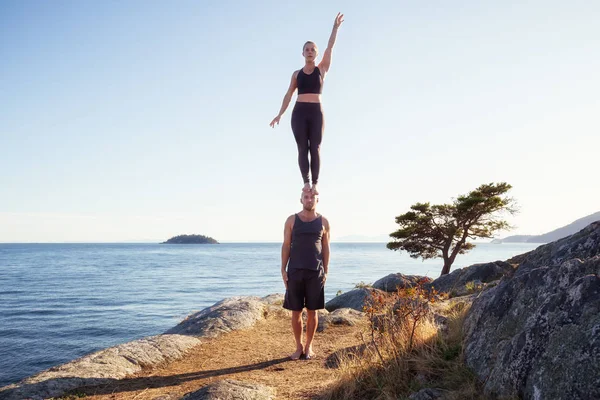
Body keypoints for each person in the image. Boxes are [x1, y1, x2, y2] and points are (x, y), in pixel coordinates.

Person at [270, 13, 345, 195]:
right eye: (307, 49)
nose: (310, 51)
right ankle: (306, 182)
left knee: (316, 147)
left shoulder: (322, 69)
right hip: (299, 113)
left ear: (316, 53)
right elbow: (289, 94)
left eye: (313, 49)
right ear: (303, 53)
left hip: (316, 112)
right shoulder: (296, 74)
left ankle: (316, 183)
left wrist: (335, 28)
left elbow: (330, 47)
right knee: (302, 147)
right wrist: (280, 114)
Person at [281, 190, 331, 360]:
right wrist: (283, 269)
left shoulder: (323, 221)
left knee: (312, 312)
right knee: (295, 312)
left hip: (315, 272)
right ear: (301, 199)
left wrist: (326, 269)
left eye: (312, 198)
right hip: (295, 271)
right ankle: (298, 346)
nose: (309, 200)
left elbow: (326, 247)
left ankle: (309, 346)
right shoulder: (291, 220)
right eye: (306, 197)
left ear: (318, 199)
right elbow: (286, 245)